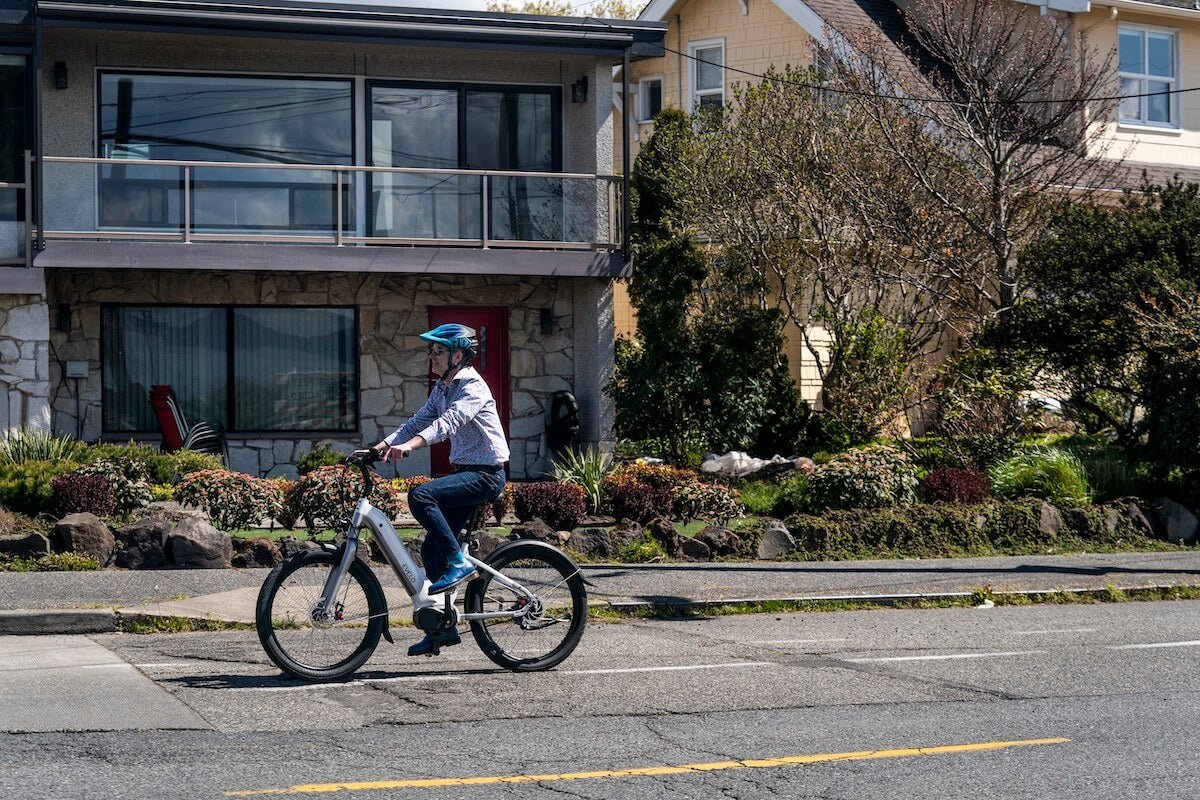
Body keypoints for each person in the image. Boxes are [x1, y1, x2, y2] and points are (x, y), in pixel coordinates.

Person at [372, 323, 509, 657]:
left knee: (421, 495)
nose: (431, 357)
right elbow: (418, 420)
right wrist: (380, 447)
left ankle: (459, 561)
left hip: (487, 474)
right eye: (430, 351)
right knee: (431, 550)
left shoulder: (473, 387)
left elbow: (446, 425)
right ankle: (441, 631)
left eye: (438, 351)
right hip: (467, 472)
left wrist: (411, 447)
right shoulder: (443, 387)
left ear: (458, 355)